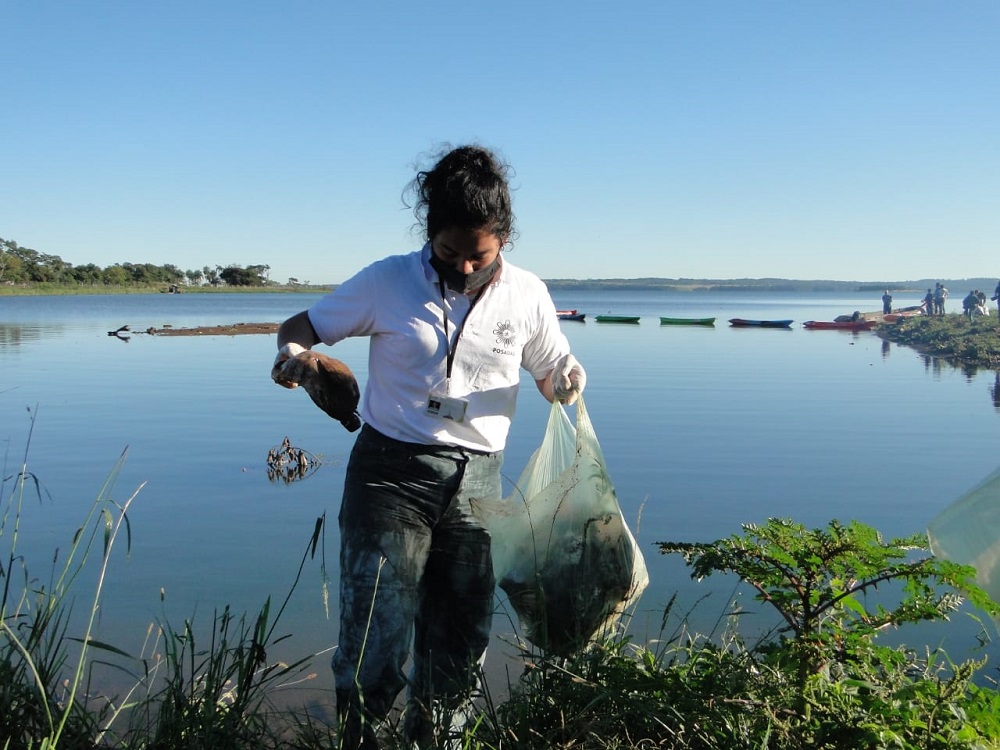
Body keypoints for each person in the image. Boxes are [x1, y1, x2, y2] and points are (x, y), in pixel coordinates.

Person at [271, 144, 586, 749]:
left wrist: (566, 379)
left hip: (479, 486)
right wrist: (295, 360)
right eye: (449, 253)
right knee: (375, 636)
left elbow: (548, 373)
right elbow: (301, 327)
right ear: (429, 233)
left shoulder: (527, 294)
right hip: (389, 475)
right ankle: (360, 738)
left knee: (461, 641)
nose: (464, 267)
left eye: (480, 255)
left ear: (503, 239)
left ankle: (434, 741)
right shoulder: (387, 280)